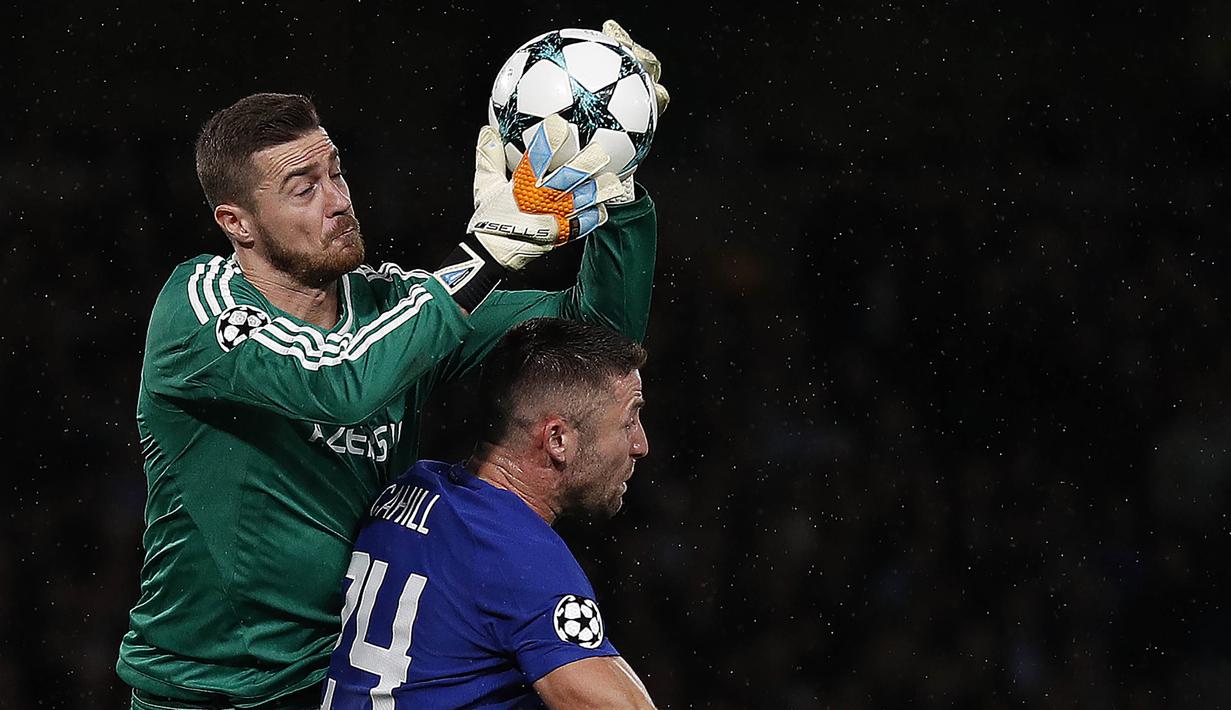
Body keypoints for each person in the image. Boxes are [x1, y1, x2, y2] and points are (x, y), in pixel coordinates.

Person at [116, 21, 668, 710]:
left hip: (333, 683)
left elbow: (595, 339)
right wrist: (481, 259)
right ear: (237, 222)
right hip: (202, 693)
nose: (339, 200)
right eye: (302, 187)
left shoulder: (395, 305)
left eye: (336, 171)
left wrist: (611, 175)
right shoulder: (197, 308)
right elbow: (338, 380)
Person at [321, 317, 656, 709]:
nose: (641, 444)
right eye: (629, 420)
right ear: (558, 440)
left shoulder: (411, 487)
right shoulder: (520, 556)